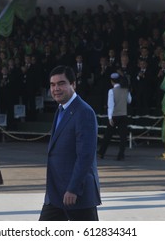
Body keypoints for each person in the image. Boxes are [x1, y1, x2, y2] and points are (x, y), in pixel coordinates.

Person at [39, 65, 101, 221]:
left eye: (61, 83)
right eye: (52, 85)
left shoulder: (83, 112)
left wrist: (73, 189)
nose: (56, 89)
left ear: (73, 84)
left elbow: (85, 156)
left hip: (76, 195)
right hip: (55, 194)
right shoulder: (61, 109)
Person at [97, 73, 132, 161]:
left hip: (115, 115)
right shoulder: (126, 89)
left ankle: (102, 152)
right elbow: (129, 101)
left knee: (108, 135)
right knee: (123, 137)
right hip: (124, 114)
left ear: (112, 81)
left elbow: (110, 105)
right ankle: (121, 154)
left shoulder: (111, 91)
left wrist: (109, 117)